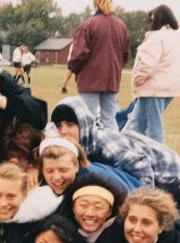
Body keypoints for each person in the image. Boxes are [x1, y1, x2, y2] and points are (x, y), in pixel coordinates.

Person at [51, 96, 180, 204]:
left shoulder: (101, 140)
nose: (63, 131)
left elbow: (140, 165)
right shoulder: (71, 144)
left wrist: (144, 203)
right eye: (58, 126)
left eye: (70, 125)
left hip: (168, 176)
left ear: (83, 124)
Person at [69, 0, 130, 130]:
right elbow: (125, 55)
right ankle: (112, 148)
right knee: (109, 119)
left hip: (90, 80)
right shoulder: (121, 26)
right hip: (112, 80)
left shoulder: (88, 25)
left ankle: (88, 150)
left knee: (87, 119)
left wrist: (74, 68)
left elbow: (78, 55)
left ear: (95, 4)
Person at [126, 5, 180, 143]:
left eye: (152, 20)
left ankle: (158, 159)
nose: (151, 23)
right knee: (135, 125)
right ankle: (128, 152)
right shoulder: (175, 37)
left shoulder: (157, 38)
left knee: (153, 128)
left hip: (152, 89)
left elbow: (147, 63)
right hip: (167, 88)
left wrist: (138, 79)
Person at [57, 173, 127, 243]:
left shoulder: (120, 239)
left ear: (109, 212)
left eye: (98, 207)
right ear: (73, 208)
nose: (90, 213)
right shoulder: (59, 233)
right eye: (83, 205)